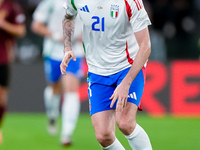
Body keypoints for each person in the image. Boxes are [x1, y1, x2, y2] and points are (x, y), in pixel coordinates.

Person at [60, 0, 153, 149]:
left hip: (127, 67)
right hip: (97, 71)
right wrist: (67, 47)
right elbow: (68, 17)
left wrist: (126, 83)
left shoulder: (130, 2)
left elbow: (146, 45)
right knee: (104, 136)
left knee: (125, 123)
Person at [31, 0, 84, 146]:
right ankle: (53, 115)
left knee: (71, 90)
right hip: (53, 51)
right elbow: (36, 25)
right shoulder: (50, 3)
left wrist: (86, 36)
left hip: (75, 51)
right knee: (54, 88)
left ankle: (66, 134)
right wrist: (55, 36)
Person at [0, 0, 26, 144]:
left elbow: (21, 30)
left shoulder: (11, 6)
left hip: (2, 58)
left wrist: (3, 24)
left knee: (2, 98)